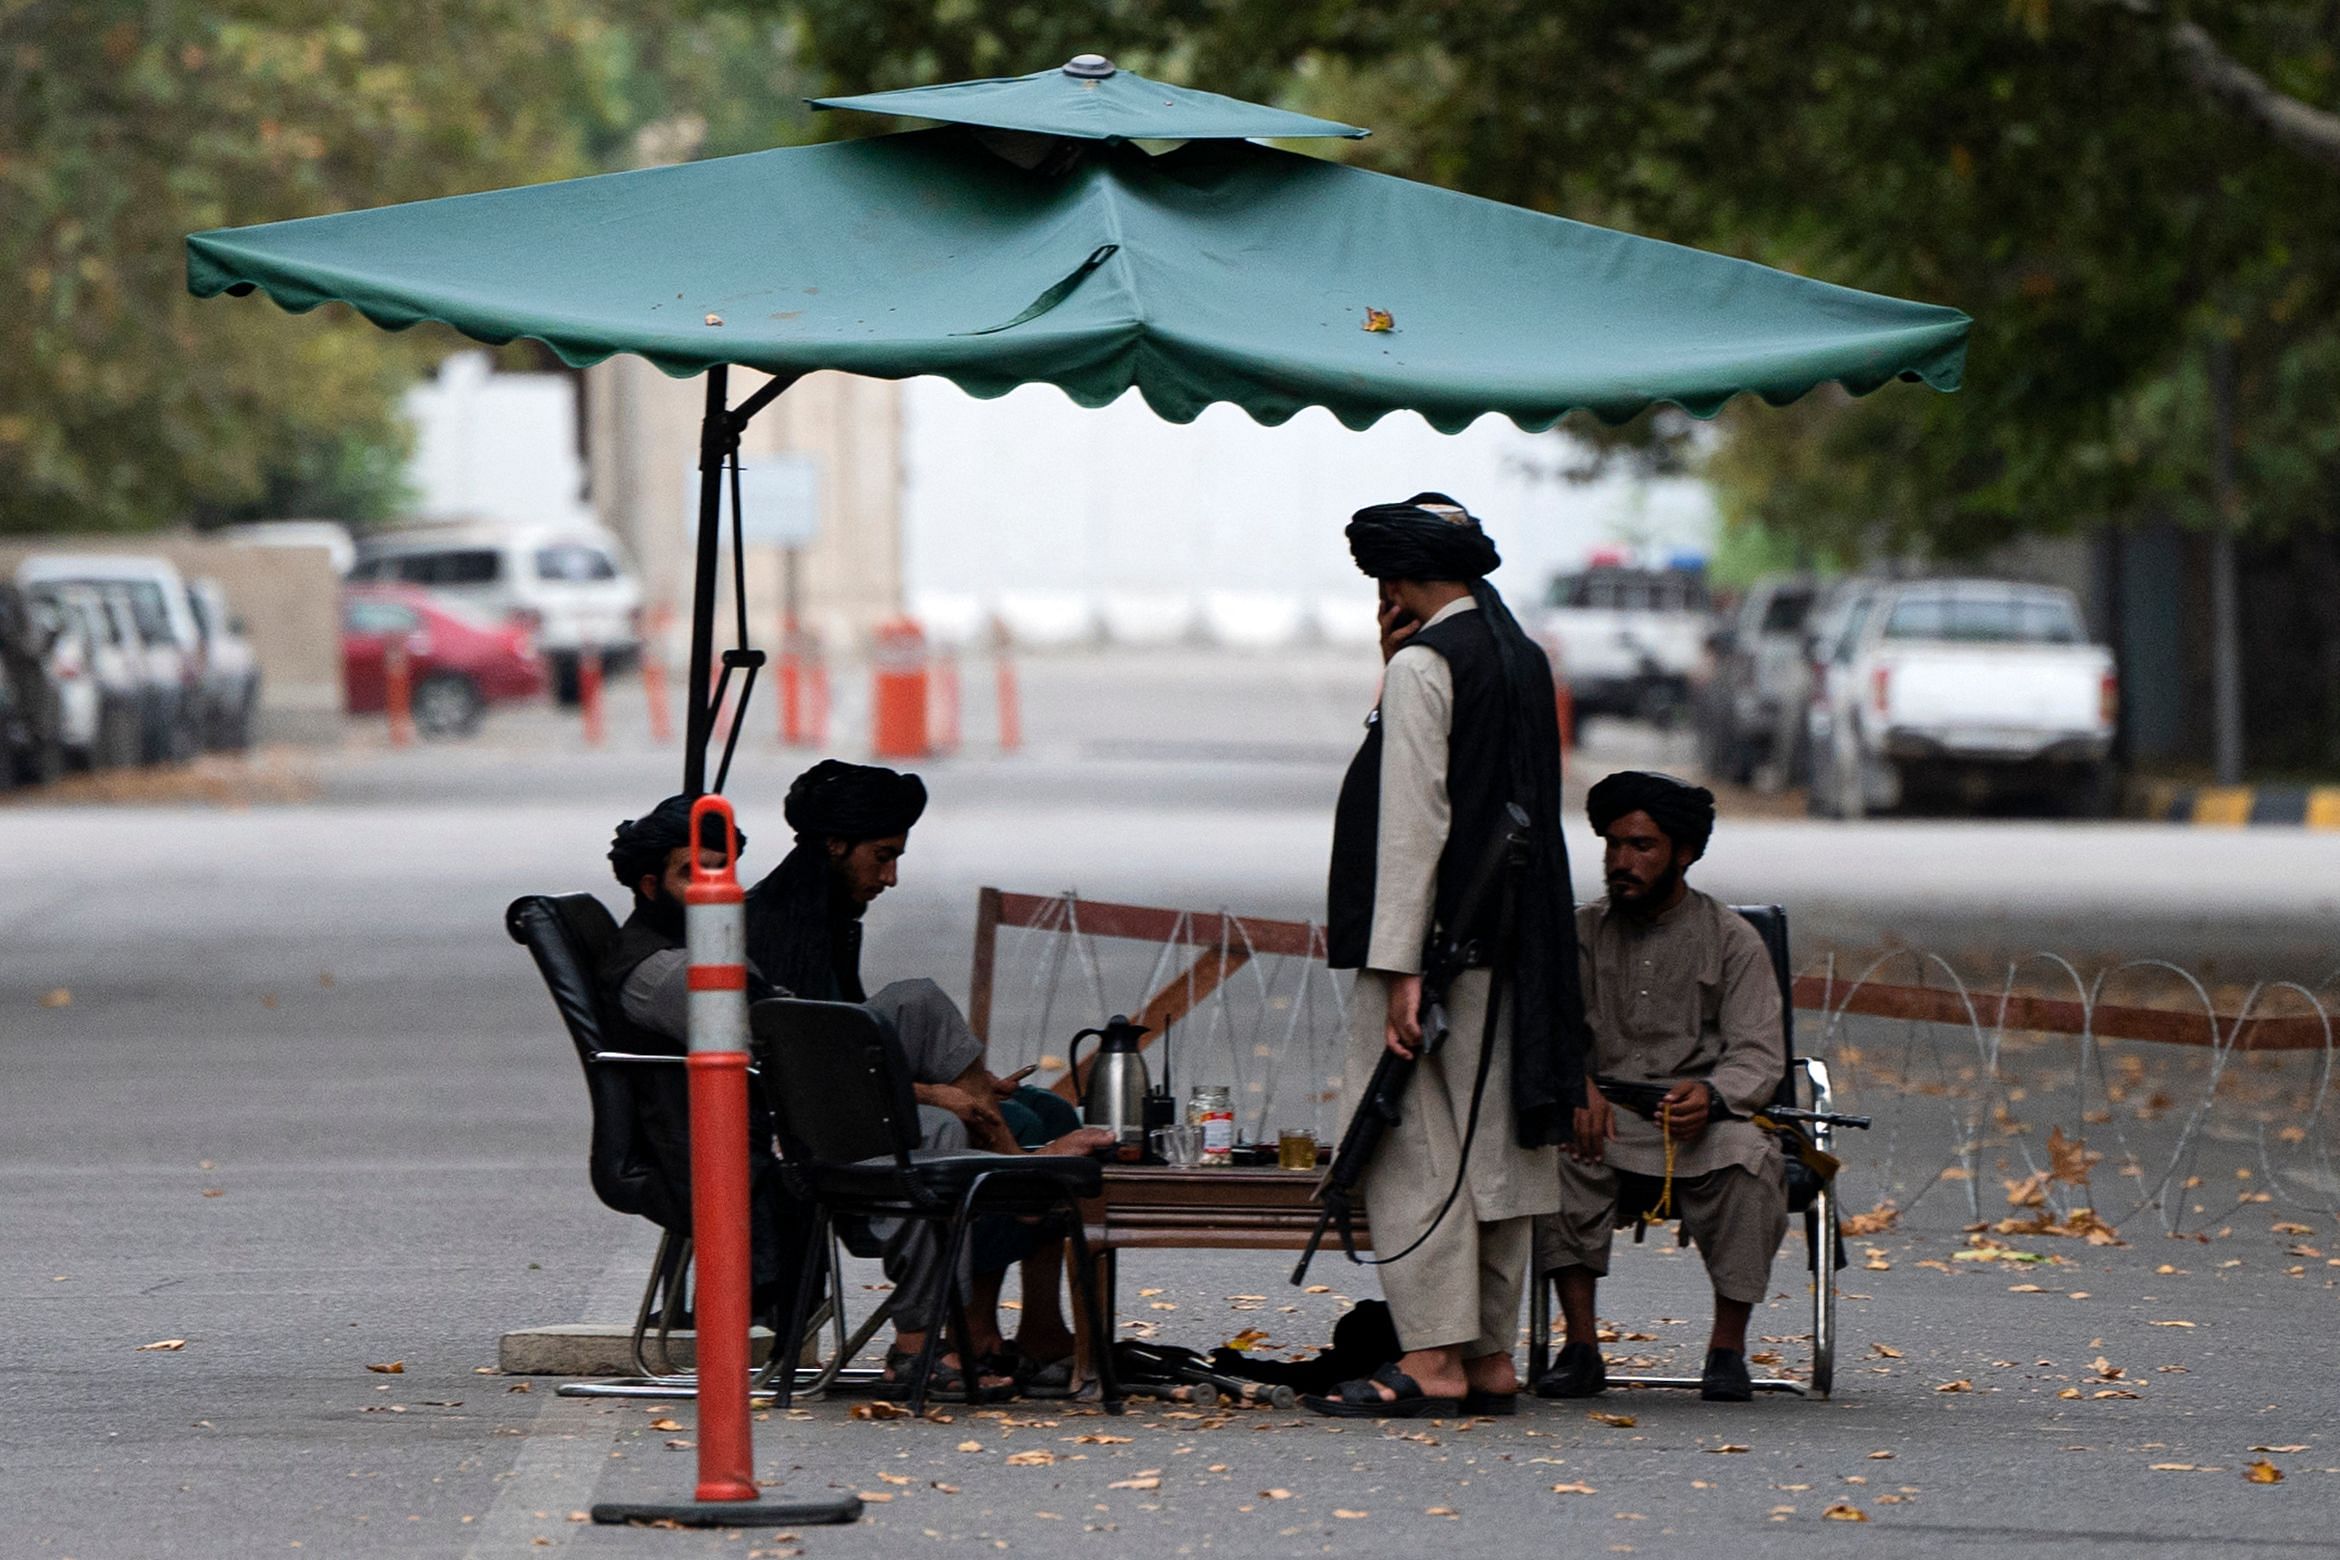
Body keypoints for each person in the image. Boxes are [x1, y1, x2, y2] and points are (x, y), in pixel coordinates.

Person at [1308, 493, 1588, 1419]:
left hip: (1441, 958)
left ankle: (1431, 1361)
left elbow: (1415, 824)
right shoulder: (1520, 656)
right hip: (1520, 952)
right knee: (1498, 1157)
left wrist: (1399, 970)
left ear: (1398, 579)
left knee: (1414, 1156)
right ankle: (1490, 1358)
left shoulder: (1431, 664)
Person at [745, 760, 1104, 1397]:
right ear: (835, 845)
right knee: (973, 1120)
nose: (891, 876)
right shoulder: (771, 929)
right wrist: (929, 1093)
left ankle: (1043, 1327)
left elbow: (851, 1035)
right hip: (805, 1125)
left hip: (853, 1098)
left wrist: (963, 1086)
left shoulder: (832, 918)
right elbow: (799, 1071)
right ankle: (956, 1324)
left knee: (1043, 1109)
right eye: (881, 857)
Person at [1532, 770, 1788, 1403]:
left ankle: (1727, 1351)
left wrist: (1715, 1096)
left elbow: (1757, 1051)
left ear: (1684, 853)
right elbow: (1542, 1030)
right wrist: (1577, 1085)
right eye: (1613, 846)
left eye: (1641, 847)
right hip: (1604, 1114)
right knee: (1552, 1153)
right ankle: (1581, 1347)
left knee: (1751, 1161)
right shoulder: (1578, 934)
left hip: (1694, 1121)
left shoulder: (1732, 940)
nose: (1622, 861)